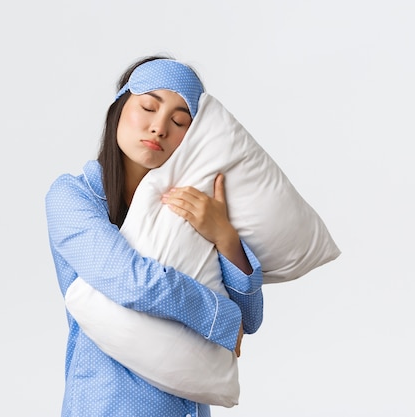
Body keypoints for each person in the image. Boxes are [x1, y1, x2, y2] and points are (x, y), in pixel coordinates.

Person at [45, 55, 264, 417]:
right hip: (107, 402)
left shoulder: (195, 207)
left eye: (179, 121)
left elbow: (250, 320)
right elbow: (132, 280)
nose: (159, 127)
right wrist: (219, 318)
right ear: (118, 108)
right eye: (148, 107)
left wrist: (224, 236)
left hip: (187, 406)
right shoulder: (73, 196)